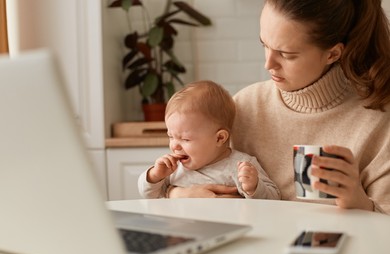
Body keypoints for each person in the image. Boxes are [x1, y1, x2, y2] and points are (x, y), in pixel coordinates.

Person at [166, 0, 390, 214]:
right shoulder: (244, 107)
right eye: (265, 45)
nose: (268, 64)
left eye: (286, 54)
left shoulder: (378, 119)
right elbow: (180, 174)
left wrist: (358, 202)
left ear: (332, 53)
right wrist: (177, 195)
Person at [138, 80, 280, 199]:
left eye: (185, 139)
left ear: (219, 138)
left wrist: (254, 187)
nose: (175, 145)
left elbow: (274, 197)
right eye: (171, 136)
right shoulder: (173, 169)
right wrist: (154, 175)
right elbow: (148, 194)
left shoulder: (242, 166)